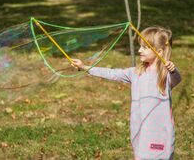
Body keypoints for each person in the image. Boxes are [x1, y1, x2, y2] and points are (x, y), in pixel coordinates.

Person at [71, 26, 181, 160]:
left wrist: (173, 70)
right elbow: (112, 73)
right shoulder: (135, 72)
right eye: (140, 46)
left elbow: (177, 79)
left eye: (145, 47)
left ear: (158, 51)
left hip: (159, 131)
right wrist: (85, 67)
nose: (139, 50)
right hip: (139, 127)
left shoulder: (165, 75)